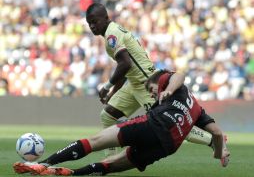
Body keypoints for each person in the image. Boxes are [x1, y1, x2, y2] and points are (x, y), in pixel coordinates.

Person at [13, 70, 230, 176]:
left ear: (158, 82)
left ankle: (45, 164)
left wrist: (169, 90)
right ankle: (73, 174)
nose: (154, 95)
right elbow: (218, 134)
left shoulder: (171, 85)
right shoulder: (199, 111)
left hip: (153, 125)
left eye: (152, 90)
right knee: (112, 165)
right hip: (166, 147)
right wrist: (218, 152)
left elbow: (179, 74)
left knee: (97, 140)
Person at [84, 2, 214, 155]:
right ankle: (109, 161)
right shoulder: (112, 32)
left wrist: (107, 86)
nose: (92, 26)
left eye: (95, 21)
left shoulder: (112, 35)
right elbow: (125, 67)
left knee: (169, 123)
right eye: (89, 23)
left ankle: (213, 140)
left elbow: (125, 64)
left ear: (106, 18)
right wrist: (113, 92)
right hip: (133, 83)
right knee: (107, 115)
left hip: (147, 83)